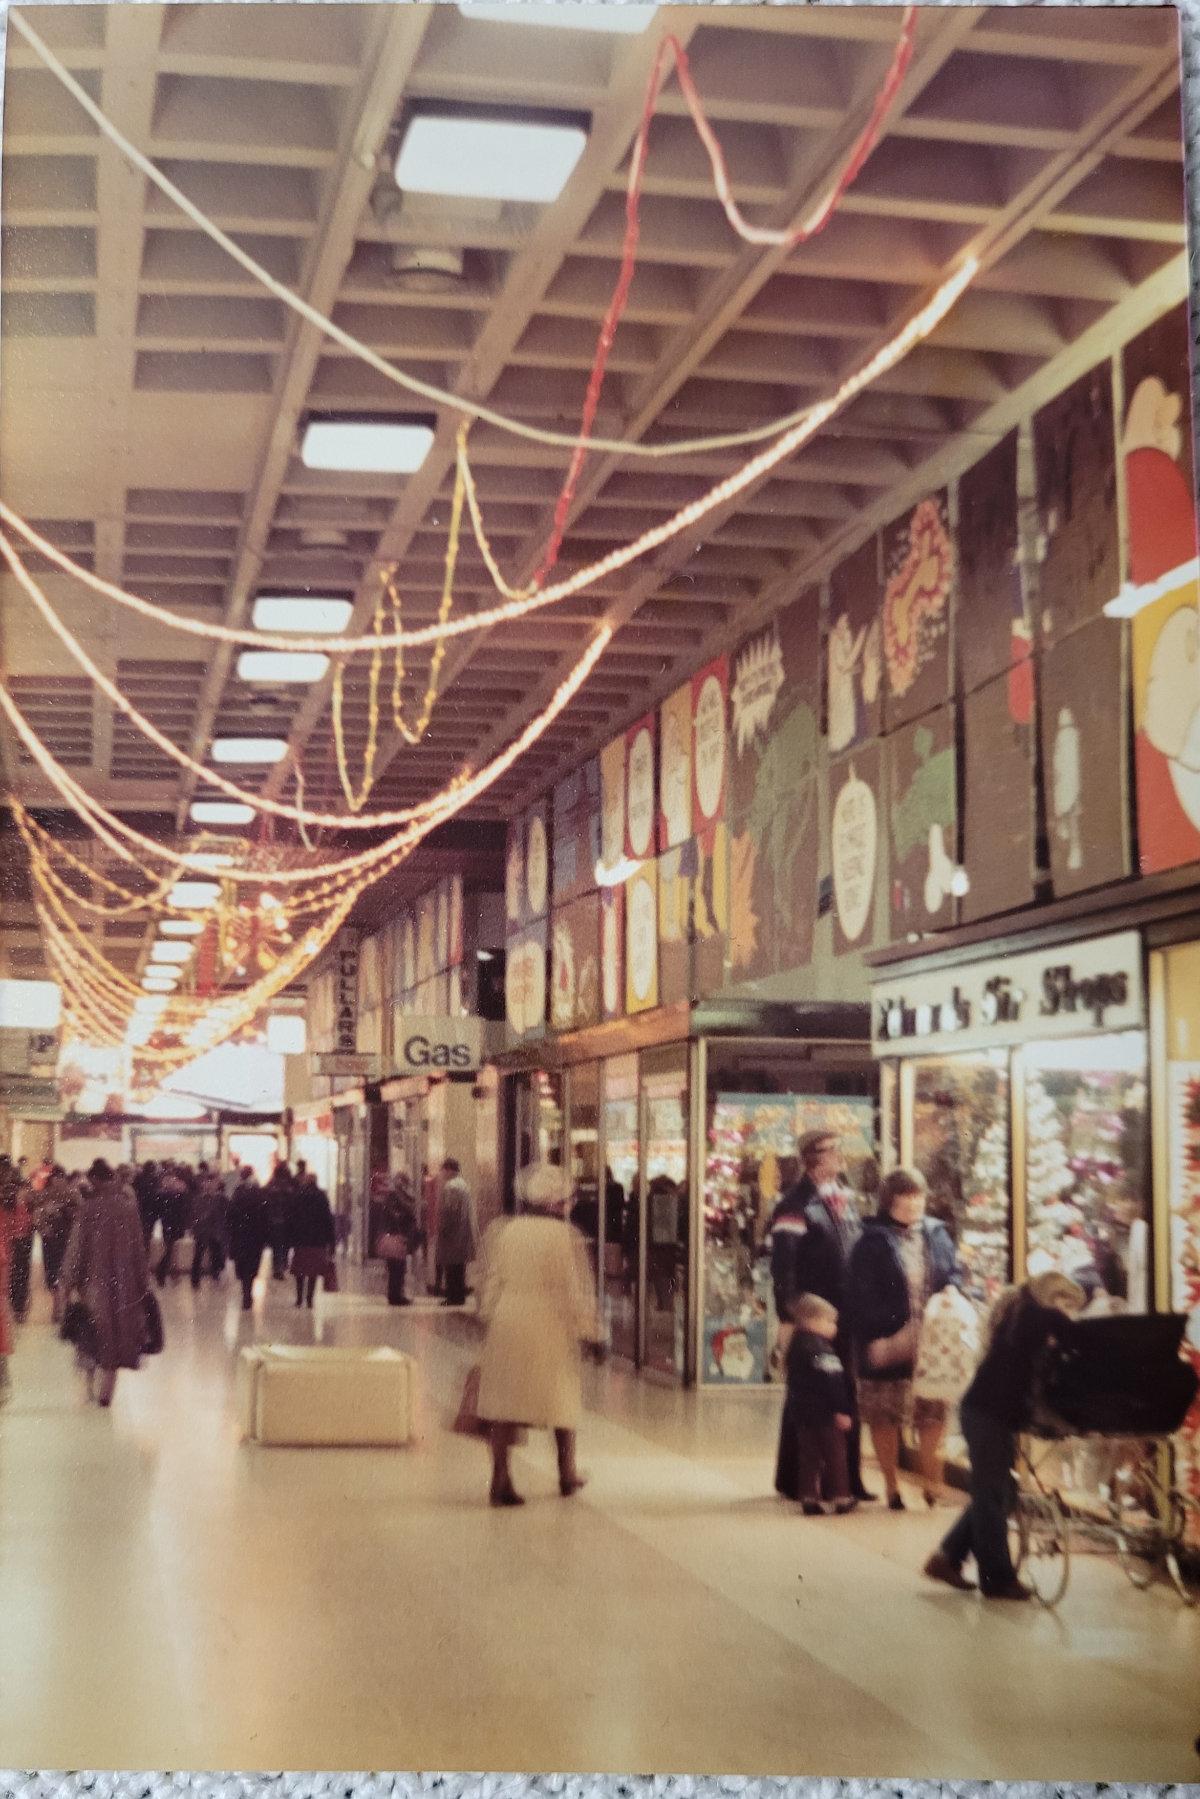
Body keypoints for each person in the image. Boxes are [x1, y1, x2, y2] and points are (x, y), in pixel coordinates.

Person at [924, 1271, 1086, 1601]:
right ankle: (996, 1578)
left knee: (1002, 1493)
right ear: (1050, 1296)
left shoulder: (1020, 1317)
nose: (1069, 1312)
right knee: (993, 1495)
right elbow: (1074, 1336)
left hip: (987, 1415)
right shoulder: (1032, 1314)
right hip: (988, 1416)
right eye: (1066, 1302)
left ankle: (947, 1557)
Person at [476, 1162, 601, 1507]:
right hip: (549, 1323)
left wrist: (488, 1317)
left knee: (504, 1402)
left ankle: (501, 1478)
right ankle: (566, 1473)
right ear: (555, 1202)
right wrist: (588, 1330)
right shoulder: (566, 1236)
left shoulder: (505, 1230)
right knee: (561, 1400)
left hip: (509, 1318)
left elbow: (492, 1280)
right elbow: (575, 1289)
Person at [769, 1128, 873, 1502]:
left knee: (845, 1391)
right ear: (815, 1157)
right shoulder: (794, 1206)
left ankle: (847, 1478)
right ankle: (797, 1477)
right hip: (814, 1313)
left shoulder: (844, 1200)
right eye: (833, 1150)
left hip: (844, 1313)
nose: (839, 1156)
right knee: (810, 1392)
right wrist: (791, 1312)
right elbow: (784, 1265)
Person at [847, 1167, 960, 1510]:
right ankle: (892, 1486)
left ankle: (932, 1481)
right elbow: (860, 1292)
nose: (914, 1204)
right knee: (885, 1413)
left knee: (933, 1410)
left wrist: (954, 1288)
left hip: (932, 1340)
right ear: (889, 1201)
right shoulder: (871, 1239)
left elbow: (953, 1271)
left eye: (919, 1197)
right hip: (887, 1339)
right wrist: (886, 1331)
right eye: (905, 1198)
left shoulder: (937, 1234)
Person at [58, 1158, 154, 1407]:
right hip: (124, 1285)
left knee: (92, 1333)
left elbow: (76, 1250)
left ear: (97, 1180)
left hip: (93, 1283)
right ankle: (106, 1394)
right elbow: (138, 1250)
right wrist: (143, 1284)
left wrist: (66, 1284)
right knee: (115, 1338)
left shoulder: (88, 1209)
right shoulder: (128, 1208)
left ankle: (91, 1384)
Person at [774, 1293, 857, 1516]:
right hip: (826, 1415)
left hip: (803, 1415)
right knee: (835, 1455)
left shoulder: (795, 1348)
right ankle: (841, 1496)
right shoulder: (822, 1350)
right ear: (812, 1321)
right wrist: (841, 1410)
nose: (834, 1328)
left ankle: (809, 1497)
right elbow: (833, 1382)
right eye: (830, 1322)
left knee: (809, 1457)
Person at [289, 1169, 335, 1308]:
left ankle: (298, 1298)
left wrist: (291, 1237)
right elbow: (328, 1220)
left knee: (300, 1269)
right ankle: (309, 1299)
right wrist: (330, 1240)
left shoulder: (298, 1195)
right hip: (317, 1240)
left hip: (301, 1239)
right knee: (313, 1271)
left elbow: (292, 1217)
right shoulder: (322, 1196)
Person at [227, 1170, 271, 1311]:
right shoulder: (259, 1195)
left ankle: (246, 1290)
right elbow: (265, 1217)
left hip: (240, 1236)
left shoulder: (237, 1194)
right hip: (255, 1238)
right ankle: (248, 1290)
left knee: (242, 1265)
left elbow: (231, 1216)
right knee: (252, 1265)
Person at [437, 1158, 477, 1307]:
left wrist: (443, 1229)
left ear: (449, 1170)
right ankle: (459, 1296)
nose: (442, 1174)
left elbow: (449, 1211)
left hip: (453, 1235)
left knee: (451, 1268)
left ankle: (453, 1297)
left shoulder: (451, 1187)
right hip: (463, 1232)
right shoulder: (464, 1185)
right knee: (459, 1268)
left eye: (443, 1170)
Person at [33, 1164, 76, 1294]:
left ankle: (57, 1285)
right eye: (56, 1178)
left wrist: (64, 1211)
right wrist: (43, 1227)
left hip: (62, 1233)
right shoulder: (46, 1193)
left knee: (59, 1261)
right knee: (53, 1262)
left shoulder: (71, 1192)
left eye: (60, 1178)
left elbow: (78, 1212)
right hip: (52, 1233)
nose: (58, 1181)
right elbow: (37, 1214)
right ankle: (54, 1285)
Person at [379, 1176, 420, 1307]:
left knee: (397, 1267)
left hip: (398, 1235)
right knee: (397, 1267)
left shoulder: (398, 1196)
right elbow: (404, 1212)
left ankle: (395, 1294)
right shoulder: (395, 1196)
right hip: (397, 1236)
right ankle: (396, 1296)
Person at [5, 1162, 35, 1322]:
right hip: (18, 1238)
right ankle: (17, 1309)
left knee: (18, 1275)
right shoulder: (19, 1193)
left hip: (18, 1238)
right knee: (18, 1274)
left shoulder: (21, 1194)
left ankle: (18, 1309)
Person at [190, 1164, 228, 1288]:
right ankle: (196, 1279)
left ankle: (215, 1275)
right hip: (204, 1230)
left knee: (215, 1253)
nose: (209, 1186)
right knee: (199, 1254)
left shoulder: (220, 1198)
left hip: (214, 1230)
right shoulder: (200, 1199)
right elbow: (195, 1215)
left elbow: (224, 1214)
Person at [155, 1162, 190, 1285]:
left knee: (171, 1249)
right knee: (171, 1249)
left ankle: (169, 1274)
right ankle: (163, 1272)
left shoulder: (173, 1194)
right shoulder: (166, 1194)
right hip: (171, 1225)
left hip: (173, 1225)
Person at [265, 1163, 295, 1280]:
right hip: (287, 1220)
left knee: (276, 1246)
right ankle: (282, 1265)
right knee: (284, 1245)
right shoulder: (289, 1185)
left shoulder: (271, 1184)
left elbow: (266, 1200)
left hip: (274, 1220)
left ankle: (278, 1267)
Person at [422, 1163, 442, 1296]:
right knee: (433, 1257)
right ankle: (434, 1283)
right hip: (433, 1227)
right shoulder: (432, 1184)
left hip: (433, 1227)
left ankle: (434, 1284)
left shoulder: (429, 1184)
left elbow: (429, 1208)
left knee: (433, 1256)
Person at [133, 1159, 161, 1249]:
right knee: (148, 1231)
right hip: (152, 1209)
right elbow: (158, 1194)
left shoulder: (138, 1178)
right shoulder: (155, 1179)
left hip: (141, 1207)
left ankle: (140, 1247)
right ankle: (145, 1248)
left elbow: (135, 1191)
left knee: (140, 1229)